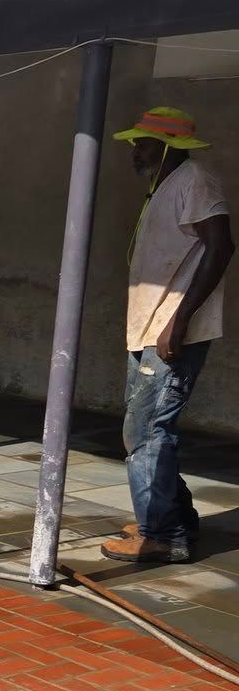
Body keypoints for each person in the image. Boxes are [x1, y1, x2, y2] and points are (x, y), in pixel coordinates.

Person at [101, 106, 232, 566]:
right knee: (142, 430)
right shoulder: (166, 185)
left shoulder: (195, 180)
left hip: (169, 329)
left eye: (143, 142)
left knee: (148, 433)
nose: (135, 150)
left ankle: (164, 535)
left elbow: (221, 246)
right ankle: (171, 516)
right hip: (149, 326)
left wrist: (178, 321)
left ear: (169, 146)